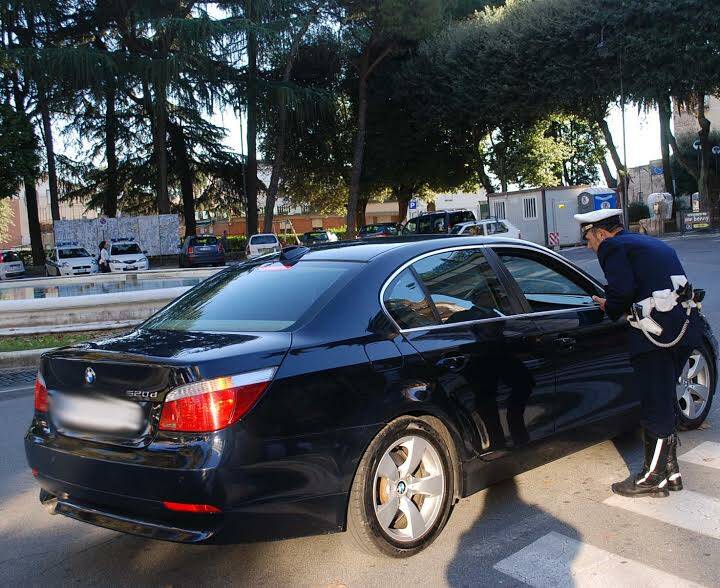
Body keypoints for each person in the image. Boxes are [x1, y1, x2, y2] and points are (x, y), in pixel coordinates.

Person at [575, 208, 703, 498]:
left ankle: (651, 477)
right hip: (682, 330)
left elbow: (622, 293)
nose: (589, 245)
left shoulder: (612, 246)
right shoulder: (651, 242)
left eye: (589, 238)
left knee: (655, 403)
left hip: (654, 336)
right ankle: (670, 472)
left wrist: (607, 305)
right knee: (665, 398)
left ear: (601, 233)